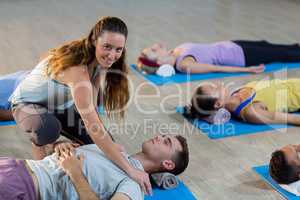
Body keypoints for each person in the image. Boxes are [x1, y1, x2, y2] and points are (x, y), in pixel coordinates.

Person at [9, 16, 152, 194]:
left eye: (118, 49)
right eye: (107, 47)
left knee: (105, 145)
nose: (112, 55)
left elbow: (92, 111)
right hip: (27, 105)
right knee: (48, 129)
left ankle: (57, 144)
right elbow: (92, 125)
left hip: (60, 106)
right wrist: (130, 170)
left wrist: (107, 140)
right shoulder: (77, 70)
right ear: (94, 39)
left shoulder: (99, 62)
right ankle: (42, 160)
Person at [0, 134, 189, 200]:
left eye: (166, 142)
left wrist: (75, 173)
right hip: (14, 165)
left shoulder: (133, 187)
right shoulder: (113, 149)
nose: (159, 136)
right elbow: (49, 153)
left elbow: (71, 169)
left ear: (168, 164)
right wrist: (60, 145)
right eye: (163, 135)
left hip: (22, 187)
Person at [138, 40, 300, 74]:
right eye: (153, 50)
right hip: (242, 56)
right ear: (159, 61)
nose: (156, 45)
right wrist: (247, 69)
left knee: (272, 45)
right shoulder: (185, 64)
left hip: (234, 45)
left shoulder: (175, 52)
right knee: (283, 54)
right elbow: (216, 68)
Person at [183, 78, 300, 125]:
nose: (218, 84)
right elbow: (293, 119)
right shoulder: (251, 112)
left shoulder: (235, 93)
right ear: (218, 104)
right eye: (215, 88)